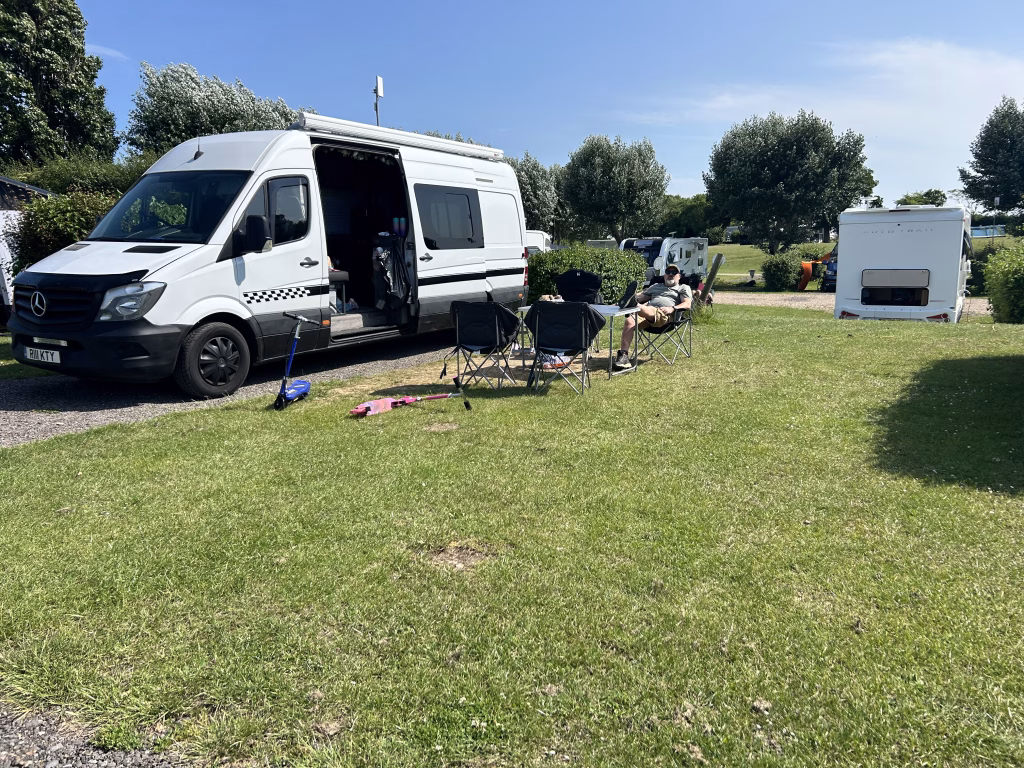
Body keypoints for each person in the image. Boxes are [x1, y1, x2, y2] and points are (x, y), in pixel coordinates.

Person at [614, 264, 692, 369]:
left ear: (679, 276)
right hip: (646, 313)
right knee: (629, 321)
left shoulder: (682, 287)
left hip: (665, 316)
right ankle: (623, 357)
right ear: (664, 275)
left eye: (674, 273)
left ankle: (634, 305)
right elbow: (641, 296)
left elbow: (687, 304)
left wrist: (673, 308)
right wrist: (616, 304)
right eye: (668, 272)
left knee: (642, 307)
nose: (670, 274)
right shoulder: (656, 286)